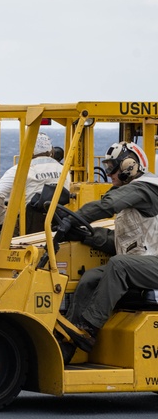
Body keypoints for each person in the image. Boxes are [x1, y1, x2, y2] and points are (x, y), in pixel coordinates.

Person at [55, 142, 158, 361]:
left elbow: (107, 205)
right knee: (91, 277)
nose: (109, 173)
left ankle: (88, 328)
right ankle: (68, 341)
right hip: (143, 263)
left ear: (129, 165)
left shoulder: (145, 188)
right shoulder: (133, 196)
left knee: (118, 265)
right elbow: (120, 243)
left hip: (153, 263)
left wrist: (73, 217)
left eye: (112, 167)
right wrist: (83, 234)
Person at [0, 133, 69, 237]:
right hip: (58, 227)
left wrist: (3, 223)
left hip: (27, 228)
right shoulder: (64, 171)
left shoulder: (21, 169)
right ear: (51, 151)